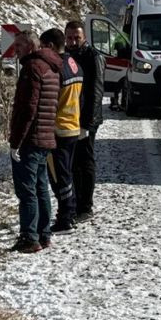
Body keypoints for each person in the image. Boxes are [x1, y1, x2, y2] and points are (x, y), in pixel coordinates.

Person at [6, 23, 60, 253]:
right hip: (46, 136)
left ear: (29, 46)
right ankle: (44, 233)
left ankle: (29, 237)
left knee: (27, 190)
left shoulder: (31, 69)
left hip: (30, 139)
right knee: (40, 188)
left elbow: (27, 109)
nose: (14, 50)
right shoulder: (51, 67)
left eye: (18, 46)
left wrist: (15, 142)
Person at [39, 28, 83, 232]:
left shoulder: (56, 69)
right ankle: (70, 213)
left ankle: (66, 217)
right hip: (73, 125)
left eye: (42, 47)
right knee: (67, 173)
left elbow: (50, 100)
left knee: (59, 177)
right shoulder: (74, 65)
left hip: (59, 128)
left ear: (49, 46)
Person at [65, 19, 104, 219]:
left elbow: (96, 91)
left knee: (85, 161)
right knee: (72, 164)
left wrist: (88, 123)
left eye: (77, 38)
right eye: (70, 38)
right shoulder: (65, 56)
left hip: (87, 119)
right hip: (70, 118)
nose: (73, 42)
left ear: (84, 38)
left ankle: (85, 207)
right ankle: (75, 203)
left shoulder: (92, 57)